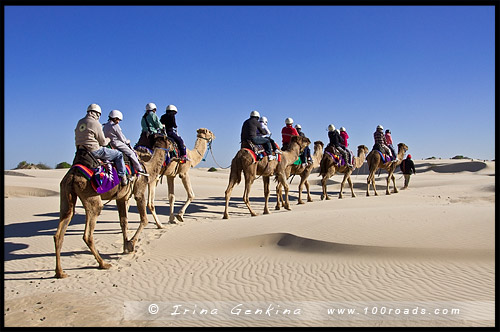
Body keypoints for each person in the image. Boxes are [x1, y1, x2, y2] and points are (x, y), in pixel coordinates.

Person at [75, 103, 128, 186]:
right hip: (94, 151)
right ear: (97, 114)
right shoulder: (95, 123)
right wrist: (109, 139)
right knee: (119, 154)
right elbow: (103, 142)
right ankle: (123, 176)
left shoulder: (80, 122)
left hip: (80, 151)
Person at [103, 110, 149, 177]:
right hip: (116, 143)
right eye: (118, 120)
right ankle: (139, 169)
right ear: (115, 118)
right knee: (131, 153)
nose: (118, 121)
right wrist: (128, 141)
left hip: (108, 144)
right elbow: (122, 138)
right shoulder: (115, 126)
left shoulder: (105, 125)